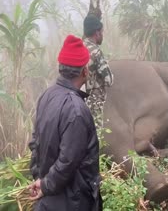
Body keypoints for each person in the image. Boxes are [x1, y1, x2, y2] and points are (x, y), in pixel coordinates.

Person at [28, 35, 101, 211]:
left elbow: (34, 142)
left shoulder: (46, 95)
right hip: (72, 202)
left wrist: (40, 179)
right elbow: (68, 161)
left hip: (50, 200)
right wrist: (45, 185)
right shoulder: (76, 110)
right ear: (85, 71)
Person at [83, 14, 113, 129]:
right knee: (95, 135)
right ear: (97, 33)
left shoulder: (79, 47)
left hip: (77, 100)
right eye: (102, 32)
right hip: (93, 103)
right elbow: (108, 80)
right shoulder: (96, 51)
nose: (102, 35)